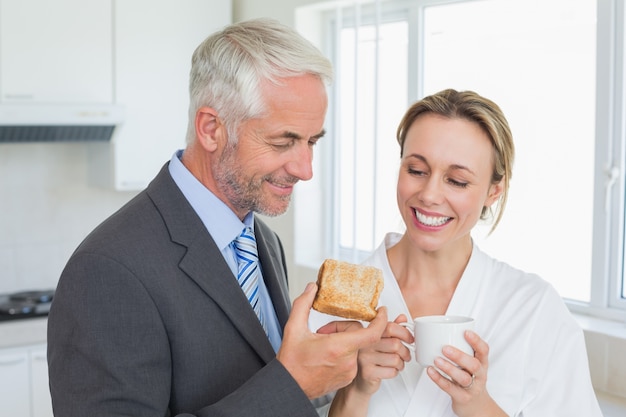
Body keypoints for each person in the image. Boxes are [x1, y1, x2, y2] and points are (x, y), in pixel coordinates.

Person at [47, 18, 388, 417]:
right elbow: (280, 389)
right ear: (211, 129)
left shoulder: (262, 240)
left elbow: (272, 390)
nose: (305, 168)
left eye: (312, 141)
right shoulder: (107, 271)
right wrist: (293, 381)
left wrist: (335, 376)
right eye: (284, 141)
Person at [310, 89, 602, 416]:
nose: (430, 194)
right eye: (417, 171)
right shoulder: (334, 305)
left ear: (494, 190)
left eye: (457, 181)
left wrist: (478, 405)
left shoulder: (533, 310)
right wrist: (356, 390)